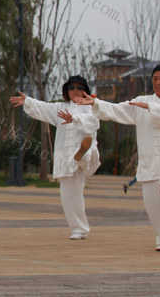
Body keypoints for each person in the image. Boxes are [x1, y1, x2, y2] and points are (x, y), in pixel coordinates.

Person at [75, 64, 160, 251]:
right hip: (149, 163)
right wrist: (96, 103)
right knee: (155, 208)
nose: (158, 83)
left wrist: (150, 107)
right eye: (155, 79)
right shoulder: (140, 102)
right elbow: (119, 110)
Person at [10, 75, 101, 240]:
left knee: (87, 155)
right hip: (66, 159)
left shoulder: (90, 107)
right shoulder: (60, 107)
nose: (75, 90)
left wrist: (74, 118)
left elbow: (94, 123)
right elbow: (44, 108)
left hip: (90, 157)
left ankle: (82, 154)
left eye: (79, 88)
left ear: (85, 90)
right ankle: (78, 230)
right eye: (71, 87)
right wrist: (28, 101)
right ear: (67, 90)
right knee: (69, 196)